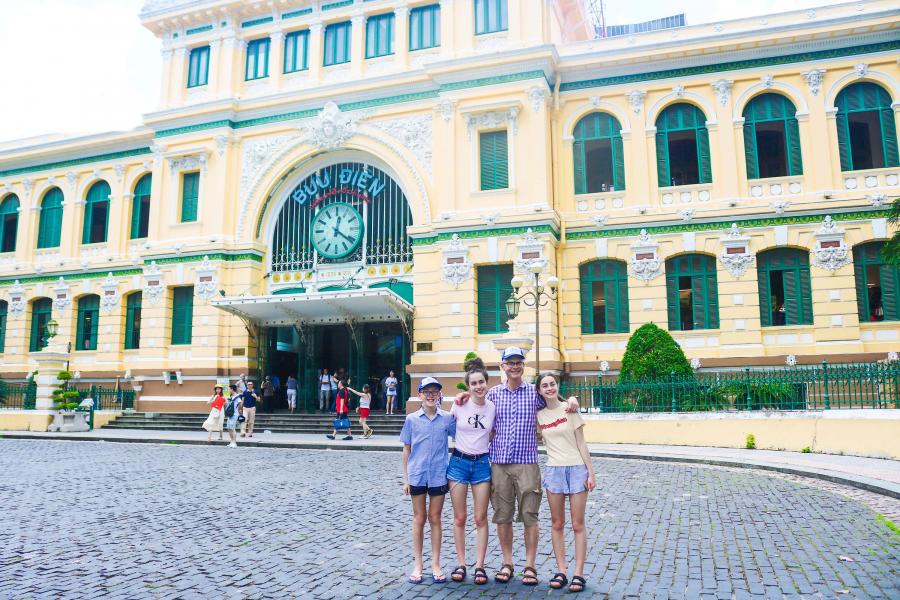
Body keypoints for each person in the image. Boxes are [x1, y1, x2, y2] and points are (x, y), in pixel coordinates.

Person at [455, 346, 580, 586]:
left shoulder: (534, 393)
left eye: (518, 362)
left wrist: (572, 399)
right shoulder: (493, 395)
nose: (514, 366)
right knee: (503, 516)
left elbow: (556, 402)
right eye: (510, 362)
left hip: (527, 464)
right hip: (499, 464)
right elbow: (474, 402)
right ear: (502, 366)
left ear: (523, 365)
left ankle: (530, 566)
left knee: (530, 516)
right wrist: (462, 396)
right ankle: (507, 562)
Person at [535, 372, 596, 593]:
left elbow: (581, 443)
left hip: (577, 469)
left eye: (552, 384)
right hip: (554, 471)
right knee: (557, 523)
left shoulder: (570, 409)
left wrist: (591, 473)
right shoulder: (539, 416)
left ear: (557, 386)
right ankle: (561, 570)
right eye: (545, 385)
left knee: (578, 524)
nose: (549, 388)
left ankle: (578, 573)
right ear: (540, 390)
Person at [401, 377, 456, 584]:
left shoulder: (448, 418)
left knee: (435, 518)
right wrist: (405, 479)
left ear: (439, 394)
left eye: (435, 392)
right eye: (427, 392)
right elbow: (406, 449)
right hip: (417, 474)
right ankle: (418, 565)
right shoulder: (412, 419)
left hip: (438, 475)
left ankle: (435, 563)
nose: (431, 395)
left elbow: (462, 437)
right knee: (419, 518)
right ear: (420, 395)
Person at [447, 357, 495, 585]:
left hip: (482, 464)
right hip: (458, 463)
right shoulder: (459, 404)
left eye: (481, 382)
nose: (478, 386)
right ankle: (461, 563)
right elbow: (447, 428)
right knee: (460, 517)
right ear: (468, 386)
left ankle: (480, 566)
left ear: (487, 382)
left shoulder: (492, 406)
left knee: (480, 517)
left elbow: (493, 433)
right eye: (473, 383)